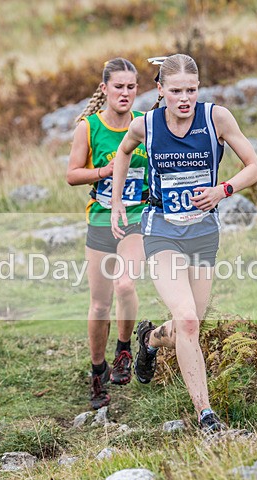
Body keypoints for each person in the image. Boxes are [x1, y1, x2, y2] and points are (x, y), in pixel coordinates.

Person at [110, 54, 257, 432]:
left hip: (203, 232)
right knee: (190, 320)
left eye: (191, 90)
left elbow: (255, 167)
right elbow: (123, 152)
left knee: (187, 326)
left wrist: (222, 190)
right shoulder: (146, 125)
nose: (184, 99)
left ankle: (149, 338)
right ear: (160, 90)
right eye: (176, 91)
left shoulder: (217, 119)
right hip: (161, 230)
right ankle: (205, 414)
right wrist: (116, 201)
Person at [66, 58, 149, 410]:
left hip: (135, 220)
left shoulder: (145, 125)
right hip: (100, 220)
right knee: (99, 304)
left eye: (131, 87)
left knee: (125, 284)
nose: (125, 93)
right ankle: (97, 370)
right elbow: (72, 174)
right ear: (105, 89)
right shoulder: (89, 127)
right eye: (119, 87)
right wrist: (105, 171)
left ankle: (124, 349)